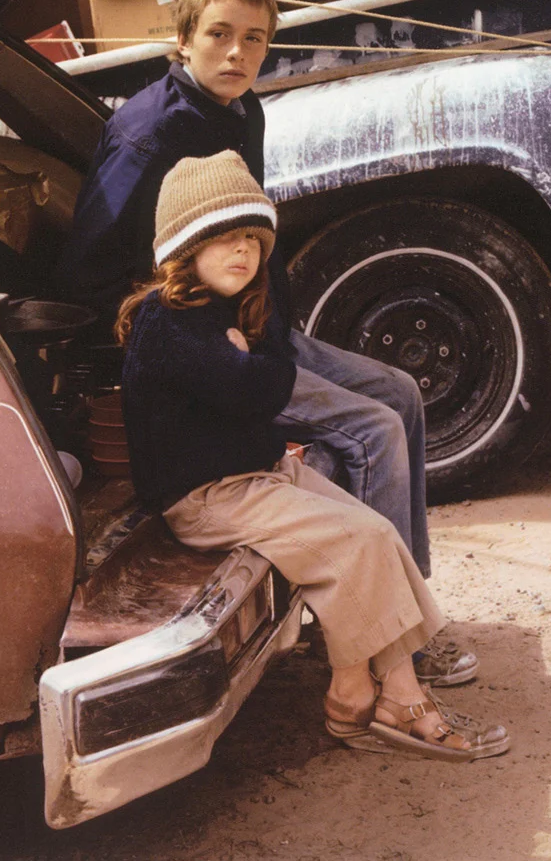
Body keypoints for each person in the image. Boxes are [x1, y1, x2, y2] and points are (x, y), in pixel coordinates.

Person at [60, 0, 474, 685]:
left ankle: (409, 602)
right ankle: (389, 645)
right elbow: (87, 270)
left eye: (254, 38)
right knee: (372, 427)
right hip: (209, 350)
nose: (236, 53)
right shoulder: (147, 134)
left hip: (262, 330)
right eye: (218, 34)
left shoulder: (241, 110)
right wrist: (185, 334)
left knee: (402, 392)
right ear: (181, 40)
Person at [116, 152, 505, 761]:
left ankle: (360, 689)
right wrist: (259, 360)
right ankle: (395, 702)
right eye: (222, 238)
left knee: (374, 532)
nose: (243, 251)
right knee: (360, 540)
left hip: (255, 474)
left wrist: (256, 353)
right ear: (185, 248)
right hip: (208, 497)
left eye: (251, 237)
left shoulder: (229, 311)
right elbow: (258, 392)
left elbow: (262, 375)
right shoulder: (169, 323)